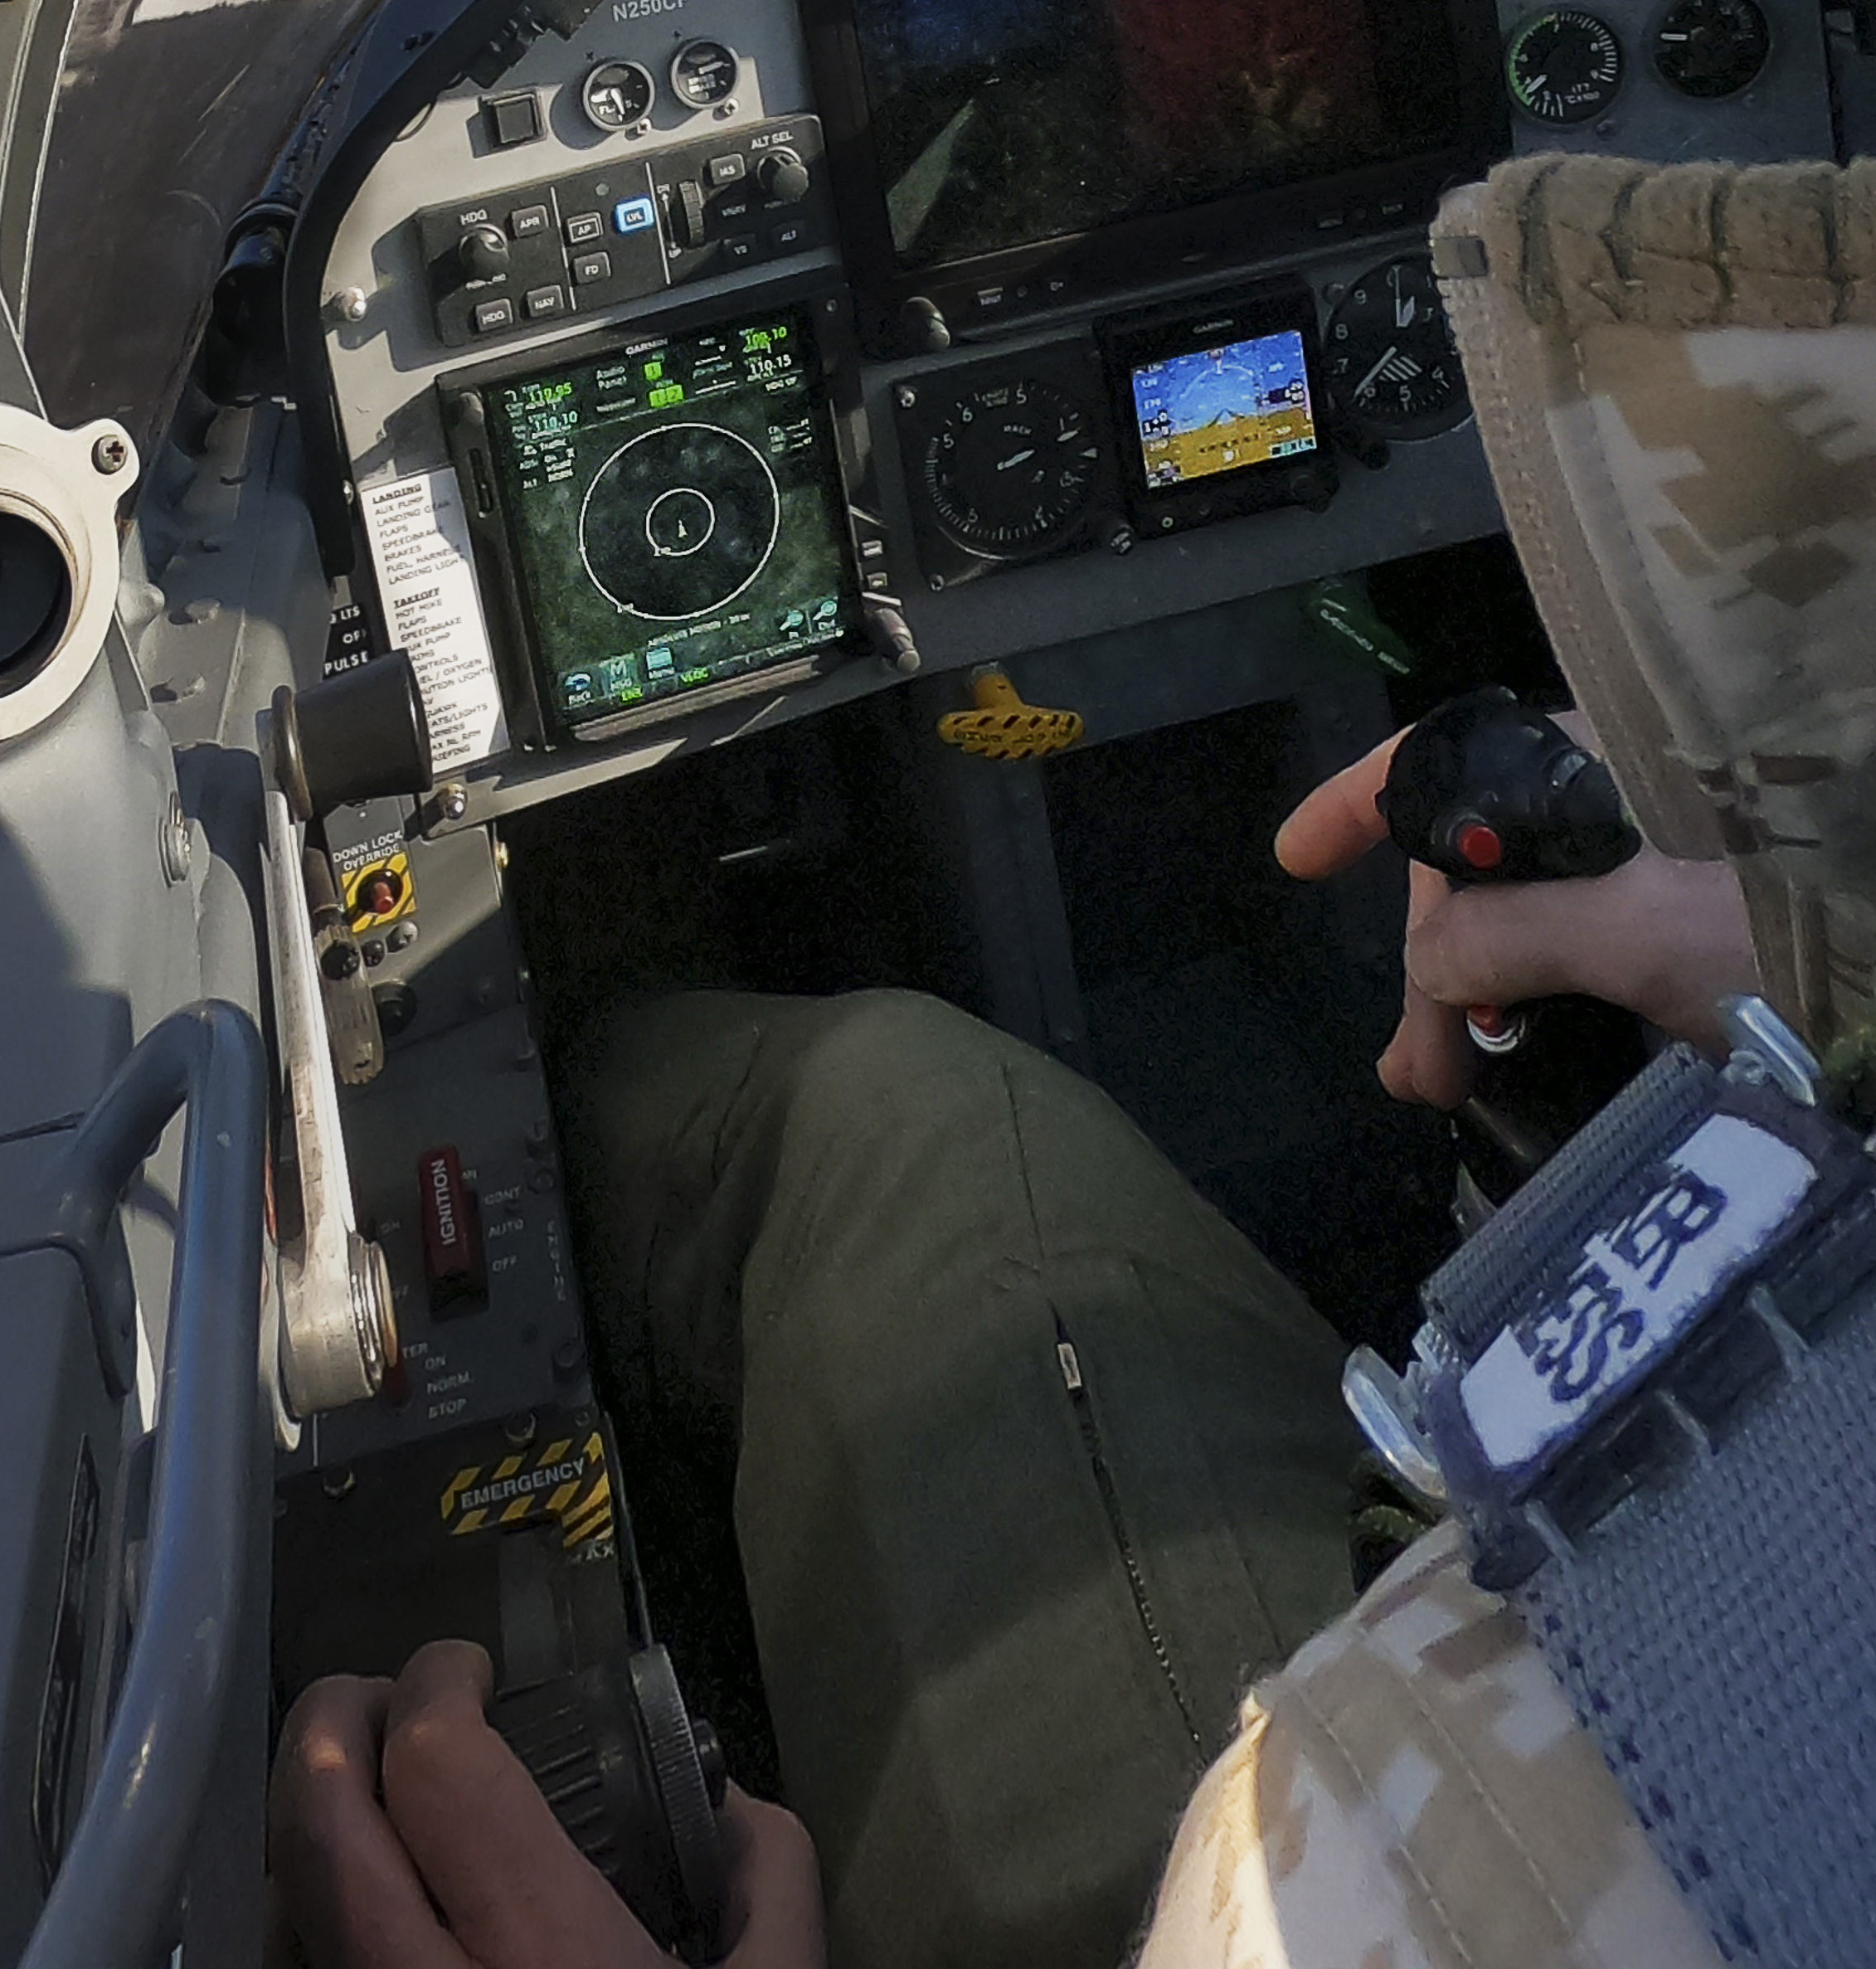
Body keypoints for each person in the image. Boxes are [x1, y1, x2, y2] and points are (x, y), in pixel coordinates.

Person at [267, 720, 1760, 1969]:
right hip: (1641, 1685)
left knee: (900, 1115)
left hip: (1325, 1873)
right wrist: (1803, 953)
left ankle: (591, 1033)